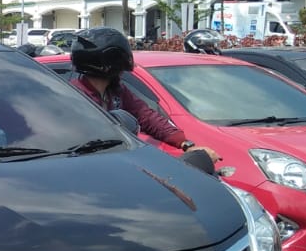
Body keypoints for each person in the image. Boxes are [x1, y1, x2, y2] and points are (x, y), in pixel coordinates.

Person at [68, 27, 219, 164]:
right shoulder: (75, 96)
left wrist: (185, 143)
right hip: (90, 163)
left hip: (118, 159)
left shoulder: (116, 91)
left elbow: (146, 116)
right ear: (111, 60)